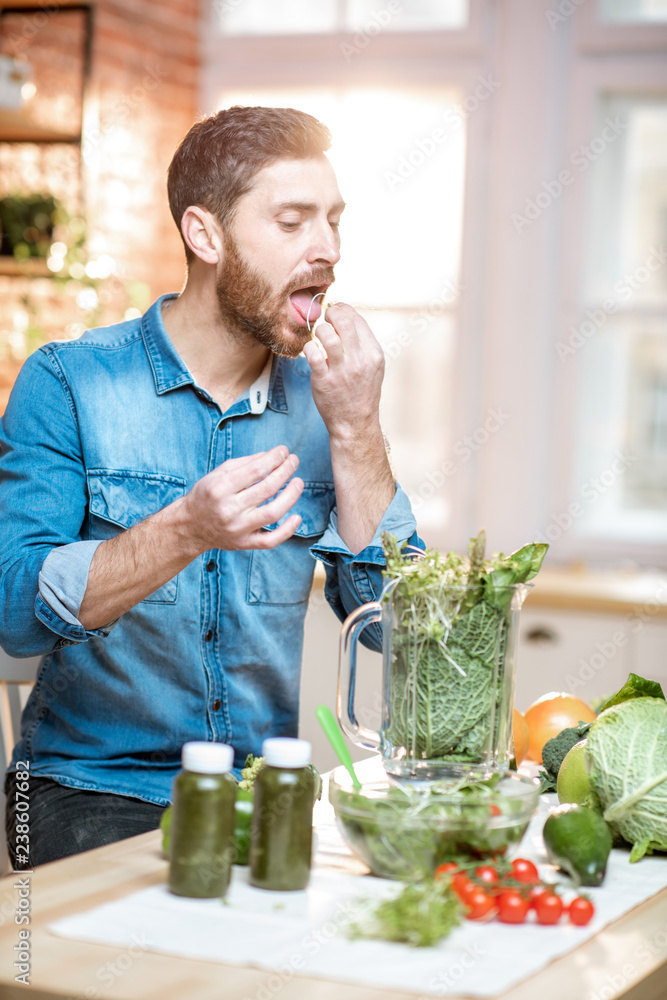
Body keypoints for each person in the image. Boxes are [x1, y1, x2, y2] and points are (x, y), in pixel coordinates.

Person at [0, 106, 419, 866]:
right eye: (292, 221)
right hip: (93, 792)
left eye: (332, 222)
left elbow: (400, 636)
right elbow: (16, 615)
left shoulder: (328, 405)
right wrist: (183, 528)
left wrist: (356, 430)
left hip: (263, 793)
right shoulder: (68, 382)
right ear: (205, 235)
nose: (325, 249)